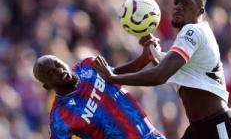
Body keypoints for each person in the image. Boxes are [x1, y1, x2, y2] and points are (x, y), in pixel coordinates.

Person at [93, 0, 231, 139]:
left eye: (186, 3)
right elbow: (158, 68)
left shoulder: (194, 31)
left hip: (218, 126)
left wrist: (113, 78)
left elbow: (160, 75)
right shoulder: (189, 42)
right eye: (176, 2)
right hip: (200, 129)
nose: (178, 7)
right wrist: (115, 71)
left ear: (200, 10)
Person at [33, 54, 166, 139]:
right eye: (51, 74)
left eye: (57, 64)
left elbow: (116, 74)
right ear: (47, 86)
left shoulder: (87, 64)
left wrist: (144, 58)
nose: (60, 71)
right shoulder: (59, 117)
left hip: (151, 134)